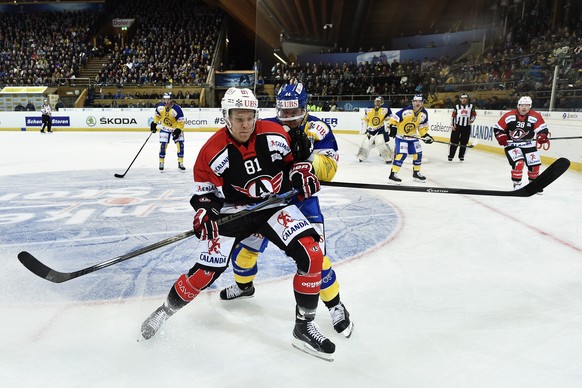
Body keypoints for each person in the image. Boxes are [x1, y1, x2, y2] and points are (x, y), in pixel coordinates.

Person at [141, 87, 337, 361]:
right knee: (203, 274)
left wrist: (301, 172)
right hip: (234, 211)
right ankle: (165, 310)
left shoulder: (275, 134)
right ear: (226, 117)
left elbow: (293, 164)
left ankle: (303, 327)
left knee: (312, 254)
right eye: (238, 117)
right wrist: (204, 213)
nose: (244, 123)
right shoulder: (210, 151)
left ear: (256, 115)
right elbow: (204, 195)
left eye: (249, 117)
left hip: (273, 205)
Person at [218, 83, 353, 338]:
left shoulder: (318, 129)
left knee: (317, 261)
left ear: (305, 107)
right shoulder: (267, 126)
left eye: (295, 113)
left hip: (304, 201)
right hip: (270, 202)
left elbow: (331, 169)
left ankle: (335, 306)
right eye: (284, 113)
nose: (289, 120)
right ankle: (244, 286)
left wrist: (309, 162)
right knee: (244, 253)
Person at [493, 96, 549, 190]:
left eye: (527, 105)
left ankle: (534, 184)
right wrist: (501, 136)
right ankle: (517, 184)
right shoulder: (509, 115)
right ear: (518, 105)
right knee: (519, 162)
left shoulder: (535, 116)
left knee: (534, 165)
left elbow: (542, 129)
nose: (524, 107)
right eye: (522, 105)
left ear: (530, 106)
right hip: (512, 145)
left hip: (528, 145)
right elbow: (498, 128)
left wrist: (542, 135)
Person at [387, 94, 433, 184]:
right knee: (401, 155)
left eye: (420, 102)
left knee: (418, 154)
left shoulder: (424, 113)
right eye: (416, 101)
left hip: (413, 137)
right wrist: (392, 126)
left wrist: (425, 135)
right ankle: (392, 175)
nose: (417, 103)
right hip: (401, 137)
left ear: (423, 103)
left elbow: (422, 127)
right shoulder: (406, 111)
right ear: (412, 102)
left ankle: (416, 173)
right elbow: (394, 118)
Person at [150, 92, 186, 171]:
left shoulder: (177, 109)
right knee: (163, 145)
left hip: (176, 128)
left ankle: (180, 162)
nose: (167, 101)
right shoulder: (160, 107)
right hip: (165, 128)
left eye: (169, 99)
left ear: (172, 100)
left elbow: (181, 121)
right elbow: (157, 116)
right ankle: (161, 162)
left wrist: (178, 130)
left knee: (180, 145)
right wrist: (154, 123)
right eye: (165, 99)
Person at [357, 96, 393, 164]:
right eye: (376, 101)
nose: (377, 103)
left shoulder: (385, 109)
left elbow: (389, 118)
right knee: (366, 144)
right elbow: (365, 119)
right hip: (370, 130)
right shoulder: (369, 109)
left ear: (382, 102)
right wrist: (363, 128)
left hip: (380, 130)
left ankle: (388, 157)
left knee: (381, 144)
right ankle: (361, 157)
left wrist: (388, 125)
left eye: (378, 101)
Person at [448, 93, 476, 162]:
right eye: (462, 98)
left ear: (467, 99)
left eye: (465, 98)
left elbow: (474, 115)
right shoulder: (457, 106)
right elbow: (453, 116)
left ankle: (461, 156)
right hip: (457, 126)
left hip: (466, 127)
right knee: (454, 142)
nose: (464, 100)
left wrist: (471, 120)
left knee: (464, 142)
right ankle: (451, 156)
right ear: (460, 99)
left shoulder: (471, 106)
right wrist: (452, 125)